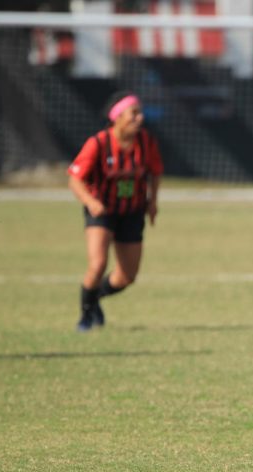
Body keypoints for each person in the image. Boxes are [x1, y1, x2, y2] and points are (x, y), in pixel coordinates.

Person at [68, 91, 163, 331]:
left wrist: (152, 202)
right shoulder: (98, 144)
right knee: (98, 264)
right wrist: (90, 202)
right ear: (117, 117)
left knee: (127, 276)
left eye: (140, 113)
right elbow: (75, 179)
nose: (139, 118)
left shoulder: (146, 142)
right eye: (134, 113)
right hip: (102, 211)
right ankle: (86, 316)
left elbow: (156, 171)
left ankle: (94, 297)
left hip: (132, 211)